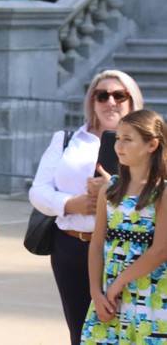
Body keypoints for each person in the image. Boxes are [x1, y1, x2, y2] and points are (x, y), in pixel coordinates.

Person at [29, 70, 143, 344]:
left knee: (126, 331)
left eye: (119, 95)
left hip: (125, 250)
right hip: (70, 247)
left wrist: (113, 189)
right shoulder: (68, 139)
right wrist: (72, 204)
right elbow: (39, 191)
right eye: (102, 95)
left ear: (132, 100)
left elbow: (157, 193)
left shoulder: (147, 143)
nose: (110, 102)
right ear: (92, 101)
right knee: (80, 330)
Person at [81, 109, 167, 342]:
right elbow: (97, 243)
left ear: (152, 145)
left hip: (151, 294)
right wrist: (95, 292)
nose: (119, 145)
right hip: (111, 298)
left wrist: (120, 282)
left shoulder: (162, 192)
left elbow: (160, 250)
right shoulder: (109, 191)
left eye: (128, 139)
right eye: (118, 138)